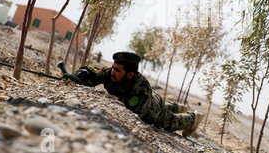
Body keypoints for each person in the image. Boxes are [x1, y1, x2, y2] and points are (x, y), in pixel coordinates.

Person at [68, 51, 203, 138]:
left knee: (171, 122)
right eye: (113, 69)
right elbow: (94, 71)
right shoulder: (111, 74)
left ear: (130, 74)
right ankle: (177, 107)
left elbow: (135, 113)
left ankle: (194, 117)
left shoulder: (141, 88)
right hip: (152, 98)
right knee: (163, 104)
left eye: (118, 71)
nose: (113, 73)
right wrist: (83, 73)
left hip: (152, 108)